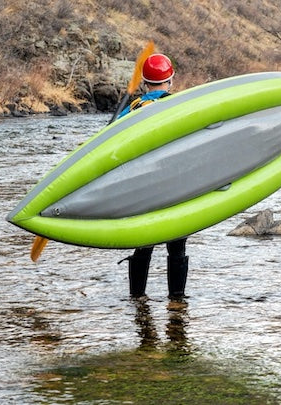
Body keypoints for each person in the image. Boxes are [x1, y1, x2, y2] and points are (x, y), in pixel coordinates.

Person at [116, 53, 189, 299]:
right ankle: (176, 300)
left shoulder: (133, 109)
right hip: (176, 185)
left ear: (145, 83)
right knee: (177, 247)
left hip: (143, 187)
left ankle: (137, 298)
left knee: (144, 243)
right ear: (171, 81)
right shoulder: (182, 105)